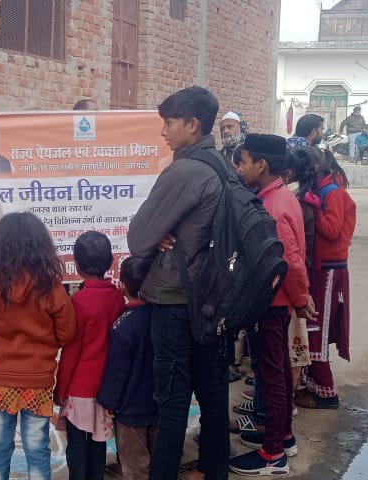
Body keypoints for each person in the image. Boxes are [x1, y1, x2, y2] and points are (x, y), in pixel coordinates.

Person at [127, 85, 229, 480]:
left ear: (192, 124)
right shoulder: (221, 164)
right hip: (210, 296)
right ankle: (213, 469)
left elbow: (139, 238)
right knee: (211, 392)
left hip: (174, 299)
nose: (163, 131)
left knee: (171, 400)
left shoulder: (185, 171)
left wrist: (159, 234)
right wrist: (164, 232)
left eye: (169, 123)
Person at [229, 134, 314, 476]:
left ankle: (273, 454)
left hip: (271, 301)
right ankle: (283, 436)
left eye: (244, 161)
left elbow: (289, 260)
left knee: (272, 376)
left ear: (261, 165)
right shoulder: (277, 196)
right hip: (275, 300)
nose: (240, 168)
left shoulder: (273, 207)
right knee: (276, 371)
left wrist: (301, 298)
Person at [0, 212, 76, 480]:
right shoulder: (51, 287)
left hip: (0, 378)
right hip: (38, 379)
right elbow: (67, 333)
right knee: (37, 448)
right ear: (41, 247)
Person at [56, 231, 125, 480]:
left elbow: (71, 351)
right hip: (107, 387)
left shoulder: (79, 302)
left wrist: (61, 388)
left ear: (76, 264)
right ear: (110, 262)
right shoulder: (117, 297)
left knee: (76, 444)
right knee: (98, 442)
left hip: (79, 388)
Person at [296, 145, 356, 411]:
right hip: (322, 265)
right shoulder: (324, 188)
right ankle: (312, 385)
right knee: (312, 325)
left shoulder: (332, 192)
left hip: (330, 267)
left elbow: (332, 230)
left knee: (317, 328)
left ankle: (325, 392)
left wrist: (315, 209)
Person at [97, 256, 156, 480]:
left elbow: (116, 371)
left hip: (130, 410)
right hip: (159, 402)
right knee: (157, 455)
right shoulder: (163, 319)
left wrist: (108, 402)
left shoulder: (123, 326)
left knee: (135, 462)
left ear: (122, 286)